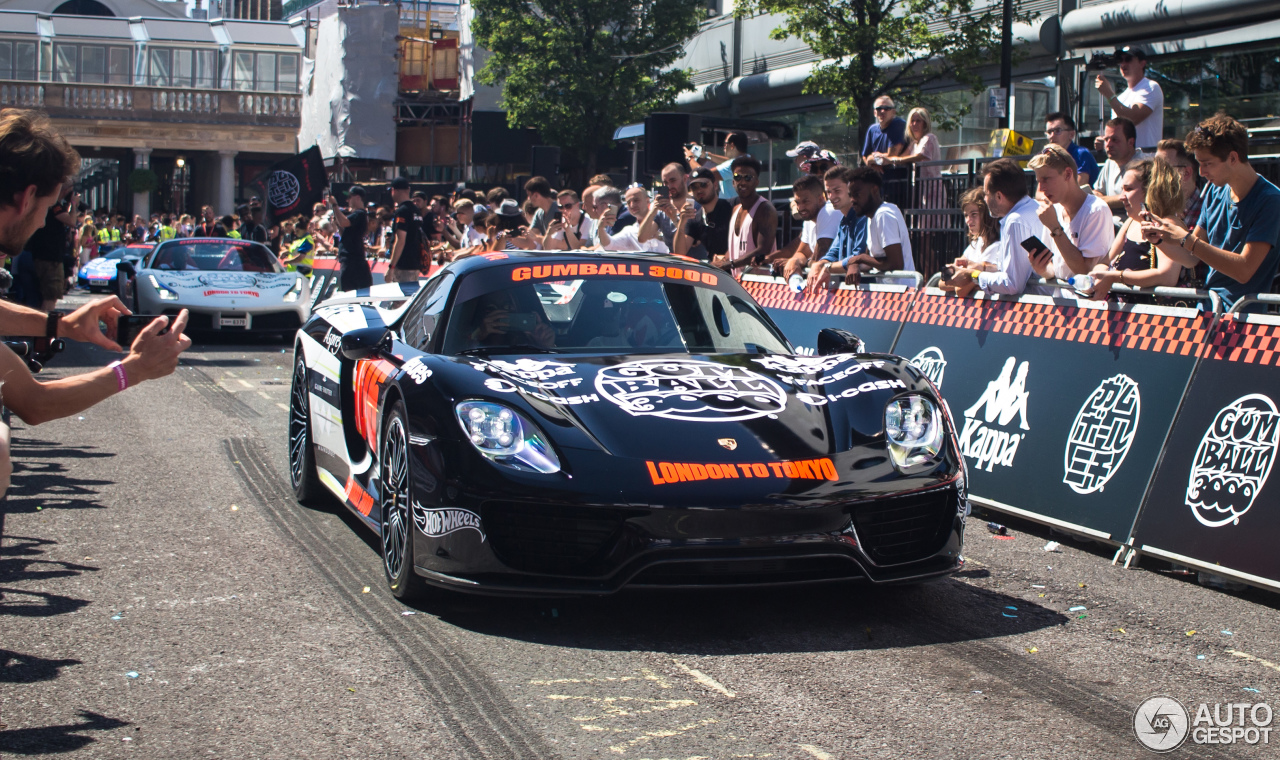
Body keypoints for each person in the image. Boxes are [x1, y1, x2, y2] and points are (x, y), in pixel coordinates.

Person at [1139, 114, 1280, 310]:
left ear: (1232, 158)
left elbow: (1244, 270)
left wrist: (1185, 240)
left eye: (1207, 163)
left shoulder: (1270, 200)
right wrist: (1161, 238)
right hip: (1210, 309)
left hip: (1244, 319)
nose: (1202, 172)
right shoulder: (1216, 190)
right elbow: (1191, 258)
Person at [1086, 157, 1189, 302]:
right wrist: (1097, 276)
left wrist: (1116, 277)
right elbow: (1106, 261)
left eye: (1128, 189)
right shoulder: (1130, 223)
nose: (1121, 197)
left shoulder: (1167, 224)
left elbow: (1167, 277)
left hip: (1156, 319)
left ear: (1150, 191)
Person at [945, 158, 1049, 297]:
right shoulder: (1034, 208)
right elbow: (1018, 269)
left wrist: (973, 275)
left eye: (986, 194)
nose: (985, 199)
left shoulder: (1015, 221)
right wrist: (981, 267)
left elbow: (1012, 284)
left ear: (999, 196)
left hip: (1036, 311)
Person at [1028, 144, 1114, 296]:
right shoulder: (1055, 210)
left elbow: (1085, 272)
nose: (1041, 188)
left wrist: (1055, 229)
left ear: (1068, 174)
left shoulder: (1096, 209)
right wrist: (1041, 268)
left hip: (1088, 310)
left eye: (1046, 179)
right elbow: (1054, 270)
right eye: (1039, 181)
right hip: (1062, 306)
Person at [840, 166, 916, 286]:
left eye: (857, 194)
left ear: (874, 190)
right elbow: (871, 262)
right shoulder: (872, 217)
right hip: (889, 294)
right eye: (850, 195)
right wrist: (854, 263)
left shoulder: (884, 214)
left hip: (901, 295)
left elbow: (896, 264)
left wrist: (859, 259)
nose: (852, 200)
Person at [809, 166, 869, 293]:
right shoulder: (844, 222)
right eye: (828, 192)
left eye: (837, 191)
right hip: (855, 293)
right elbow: (832, 254)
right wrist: (818, 264)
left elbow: (857, 257)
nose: (831, 196)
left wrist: (827, 267)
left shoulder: (863, 217)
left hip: (871, 295)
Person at [1094, 45, 1164, 151]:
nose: (1123, 64)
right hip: (1125, 162)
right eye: (1120, 60)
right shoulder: (1120, 98)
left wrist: (1109, 94)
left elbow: (1131, 120)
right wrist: (1105, 141)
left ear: (1142, 63)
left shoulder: (1151, 87)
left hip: (1145, 160)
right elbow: (1118, 132)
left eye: (1128, 59)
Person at [720, 155, 777, 274]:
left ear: (757, 182)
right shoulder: (735, 209)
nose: (742, 182)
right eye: (738, 177)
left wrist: (729, 264)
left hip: (760, 285)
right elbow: (736, 248)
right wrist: (724, 259)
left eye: (748, 178)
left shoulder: (765, 209)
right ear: (733, 182)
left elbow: (763, 250)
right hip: (738, 284)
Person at [779, 173, 841, 281]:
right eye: (797, 202)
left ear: (820, 199)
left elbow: (819, 258)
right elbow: (802, 253)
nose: (800, 208)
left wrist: (798, 262)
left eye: (805, 201)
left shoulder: (828, 211)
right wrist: (794, 261)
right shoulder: (809, 217)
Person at [943, 187, 1001, 289]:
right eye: (966, 215)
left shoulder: (997, 247)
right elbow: (942, 283)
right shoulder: (975, 244)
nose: (968, 221)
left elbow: (959, 290)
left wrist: (965, 277)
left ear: (987, 214)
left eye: (974, 214)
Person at [463, 287, 555, 350]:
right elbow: (460, 361)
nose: (500, 313)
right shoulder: (472, 340)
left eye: (508, 307)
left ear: (518, 309)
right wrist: (477, 336)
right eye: (491, 308)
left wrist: (545, 346)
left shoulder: (532, 340)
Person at [673, 167, 732, 262]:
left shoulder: (732, 206)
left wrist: (730, 255)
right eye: (694, 187)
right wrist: (682, 222)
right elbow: (679, 253)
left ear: (715, 185)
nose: (699, 190)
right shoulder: (694, 218)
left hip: (739, 269)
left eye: (703, 185)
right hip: (715, 271)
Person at [1094, 117, 1144, 226]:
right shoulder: (1110, 163)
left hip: (1131, 224)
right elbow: (1098, 191)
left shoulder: (1142, 165)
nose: (1108, 144)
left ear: (1130, 142)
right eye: (1106, 139)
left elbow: (1126, 198)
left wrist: (1100, 201)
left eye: (1115, 140)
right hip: (1108, 221)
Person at [1155, 139, 1204, 231]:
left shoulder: (1207, 211)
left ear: (1186, 173)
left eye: (1163, 169)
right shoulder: (1156, 207)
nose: (1154, 175)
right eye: (1154, 168)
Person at [329, 185, 371, 291]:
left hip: (353, 260)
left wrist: (334, 205)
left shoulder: (360, 214)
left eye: (350, 197)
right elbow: (345, 231)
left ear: (357, 197)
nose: (347, 200)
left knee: (349, 290)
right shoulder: (356, 215)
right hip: (351, 258)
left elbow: (344, 222)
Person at [686, 132, 748, 201]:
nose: (724, 147)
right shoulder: (747, 159)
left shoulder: (733, 165)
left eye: (725, 144)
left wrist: (690, 158)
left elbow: (703, 175)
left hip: (730, 207)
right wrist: (706, 155)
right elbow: (727, 162)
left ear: (732, 145)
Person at [1044, 112, 1100, 187]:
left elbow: (1079, 187)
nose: (1052, 136)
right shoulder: (1048, 157)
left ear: (1071, 135)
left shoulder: (1081, 154)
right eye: (1049, 132)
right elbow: (1039, 192)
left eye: (1058, 131)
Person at [386, 177, 424, 283]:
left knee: (401, 299)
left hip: (403, 265)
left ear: (394, 190)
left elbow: (400, 240)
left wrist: (391, 267)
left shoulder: (402, 211)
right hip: (415, 262)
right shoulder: (416, 210)